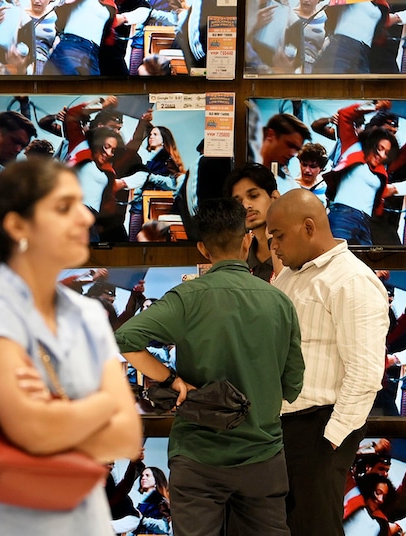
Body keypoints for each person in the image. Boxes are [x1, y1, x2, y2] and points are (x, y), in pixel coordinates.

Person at [0, 157, 142, 534]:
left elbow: (126, 435)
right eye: (64, 207)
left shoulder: (88, 316)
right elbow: (34, 430)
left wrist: (58, 417)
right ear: (17, 225)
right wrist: (106, 403)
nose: (86, 217)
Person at [115, 197, 304, 536]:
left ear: (202, 249)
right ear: (247, 239)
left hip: (198, 457)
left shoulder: (187, 297)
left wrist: (172, 380)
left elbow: (125, 339)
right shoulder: (279, 302)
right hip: (262, 456)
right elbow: (293, 386)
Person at [266, 188, 389, 536]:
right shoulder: (291, 274)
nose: (274, 246)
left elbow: (365, 373)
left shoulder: (352, 281)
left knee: (314, 527)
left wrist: (331, 439)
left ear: (308, 227)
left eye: (278, 236)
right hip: (282, 428)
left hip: (318, 428)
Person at [226, 163, 280, 282]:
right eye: (238, 202)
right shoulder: (240, 256)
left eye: (253, 196)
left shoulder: (296, 250)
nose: (245, 206)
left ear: (275, 197)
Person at [258, 113, 312, 194]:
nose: (293, 154)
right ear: (271, 135)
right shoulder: (246, 168)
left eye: (297, 149)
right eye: (290, 145)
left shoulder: (290, 186)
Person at [23, 0, 58, 75]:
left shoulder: (56, 18)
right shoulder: (22, 15)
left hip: (45, 62)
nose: (36, 1)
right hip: (23, 59)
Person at [135, 466, 172, 535]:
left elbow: (167, 526)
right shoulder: (136, 499)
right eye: (142, 476)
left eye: (147, 475)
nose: (143, 478)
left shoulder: (163, 502)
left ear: (156, 479)